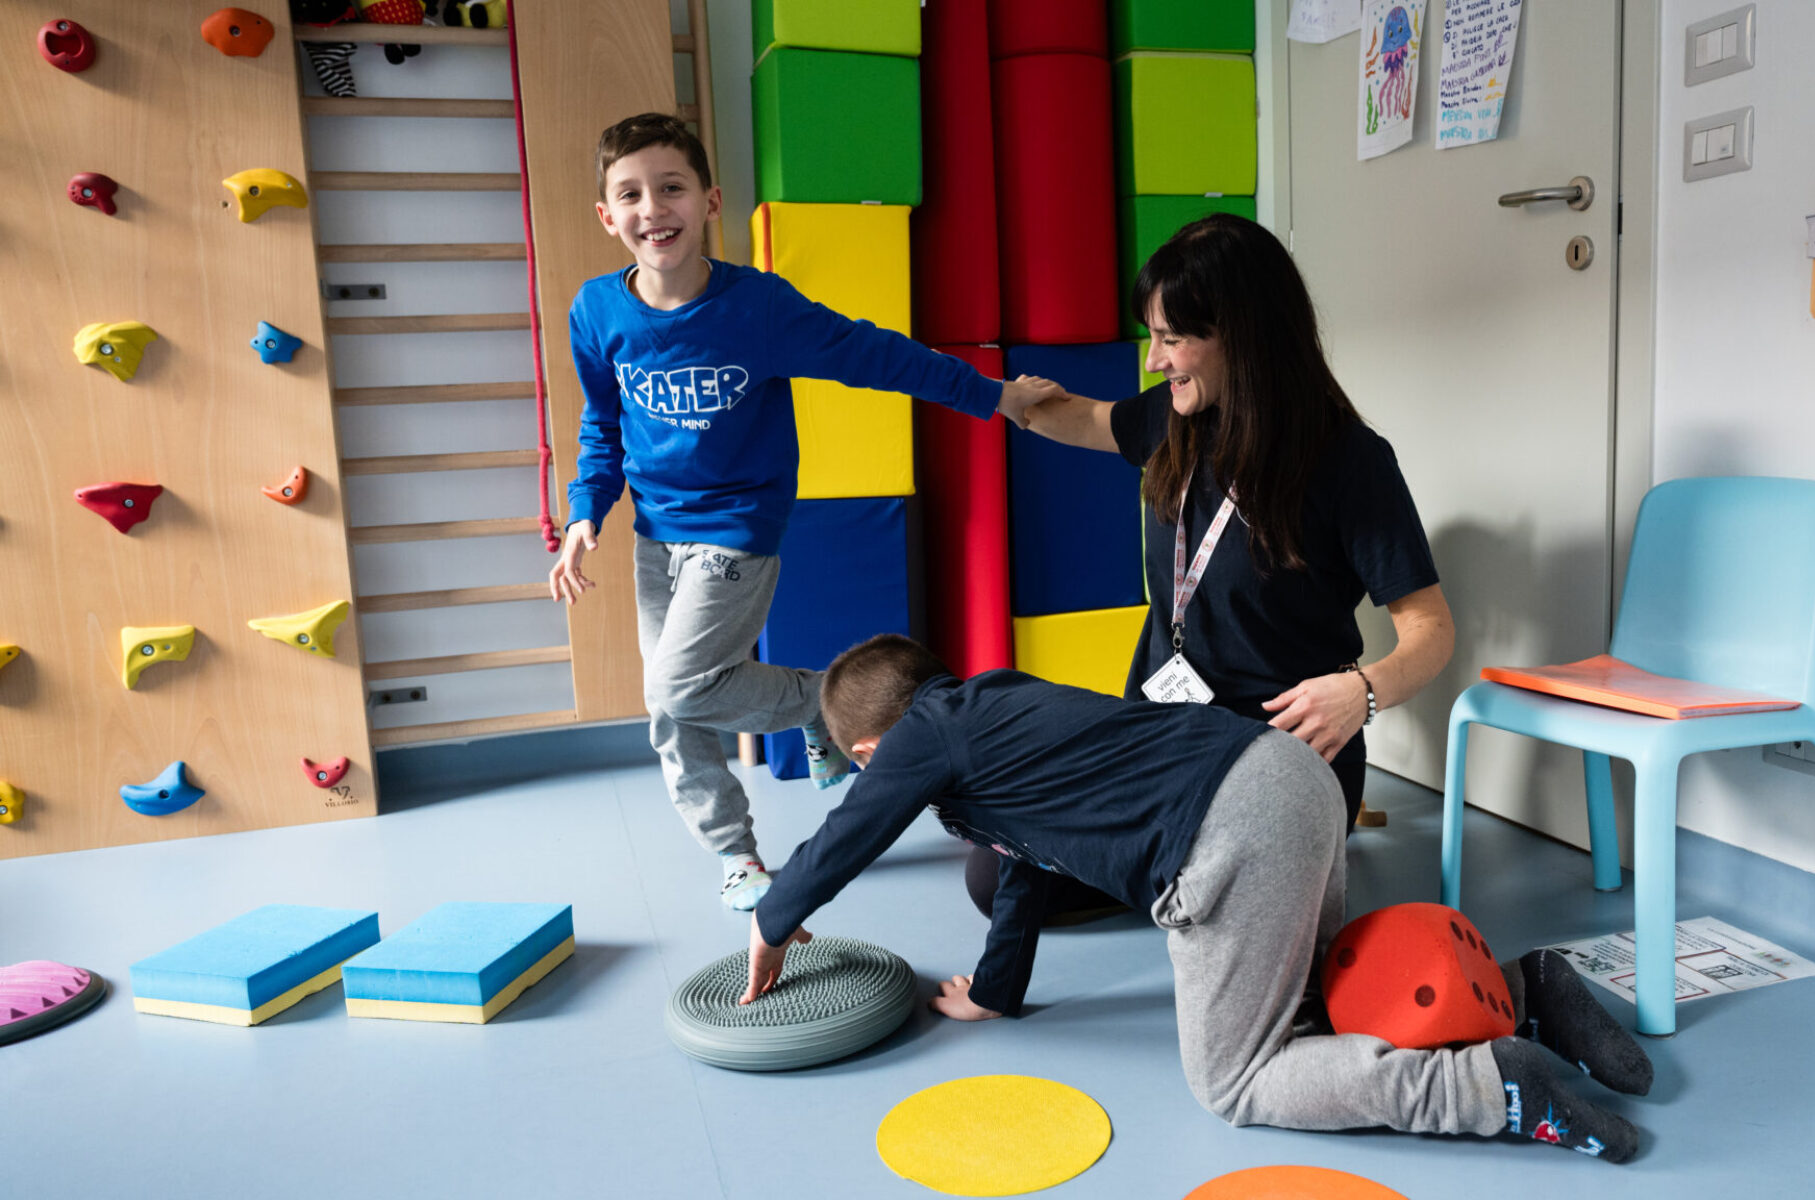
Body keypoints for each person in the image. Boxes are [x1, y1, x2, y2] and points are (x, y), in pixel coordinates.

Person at [742, 635, 1651, 1161]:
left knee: (1238, 1080)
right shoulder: (989, 713)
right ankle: (1522, 992)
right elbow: (1021, 862)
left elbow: (849, 832)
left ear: (871, 752)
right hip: (1291, 774)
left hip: (1230, 832)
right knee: (1316, 1003)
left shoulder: (922, 737)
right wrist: (996, 990)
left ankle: (1484, 1089)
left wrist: (772, 921)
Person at [548, 113, 1053, 912]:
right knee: (671, 707)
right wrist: (585, 512)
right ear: (607, 216)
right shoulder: (597, 311)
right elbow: (600, 425)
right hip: (655, 534)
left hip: (736, 528)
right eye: (632, 195)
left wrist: (995, 397)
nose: (654, 208)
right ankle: (737, 853)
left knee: (676, 688)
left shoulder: (757, 308)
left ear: (710, 201)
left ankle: (824, 698)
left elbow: (877, 354)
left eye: (672, 187)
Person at [965, 211, 1455, 920]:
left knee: (1205, 864)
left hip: (1275, 759)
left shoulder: (1349, 460)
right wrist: (994, 395)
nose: (1154, 361)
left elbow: (1431, 630)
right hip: (1162, 741)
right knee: (997, 869)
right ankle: (1193, 869)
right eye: (1153, 337)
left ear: (1242, 336)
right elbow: (1078, 417)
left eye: (1172, 339)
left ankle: (1210, 864)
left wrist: (1362, 693)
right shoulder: (1173, 420)